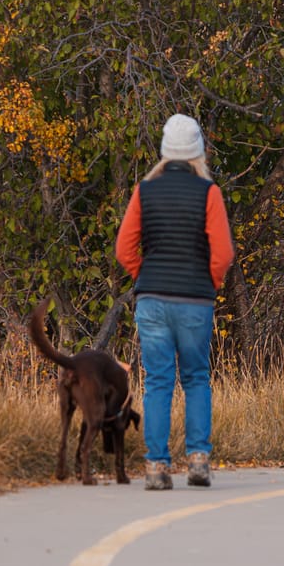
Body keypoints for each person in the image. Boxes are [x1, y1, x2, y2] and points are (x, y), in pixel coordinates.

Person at [115, 113, 235, 490]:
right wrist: (210, 283)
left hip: (152, 300)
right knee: (197, 378)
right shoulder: (208, 192)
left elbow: (123, 249)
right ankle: (198, 459)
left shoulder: (145, 191)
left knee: (158, 382)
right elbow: (223, 253)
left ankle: (156, 466)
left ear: (165, 152)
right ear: (198, 151)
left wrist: (142, 277)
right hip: (195, 301)